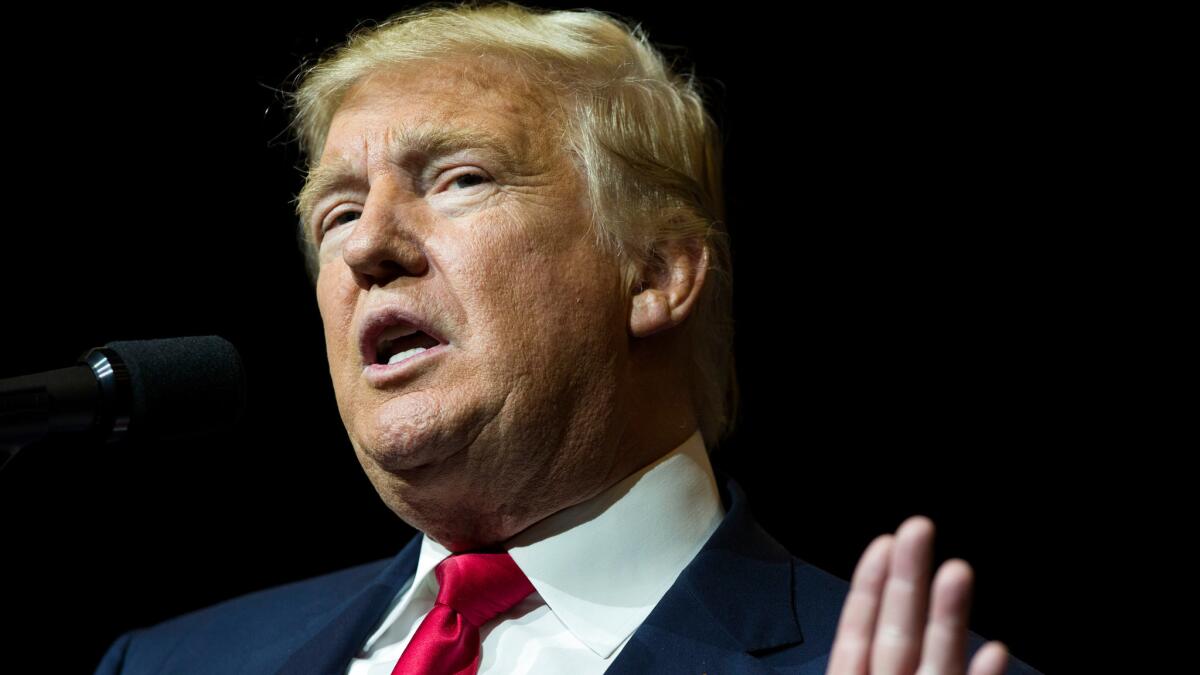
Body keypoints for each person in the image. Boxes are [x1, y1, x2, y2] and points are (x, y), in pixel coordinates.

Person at [96, 3, 1042, 674]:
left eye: (460, 179)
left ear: (657, 273)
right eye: (336, 214)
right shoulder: (167, 660)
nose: (368, 248)